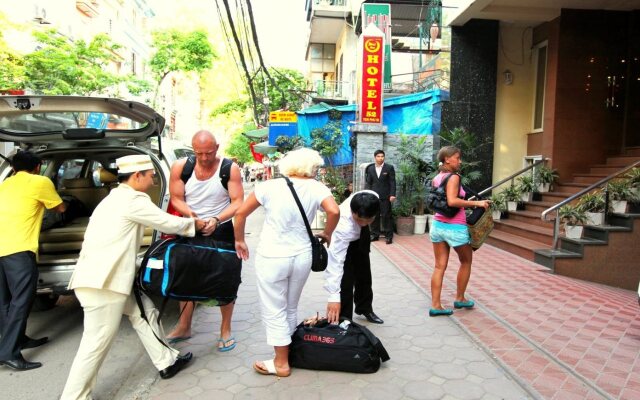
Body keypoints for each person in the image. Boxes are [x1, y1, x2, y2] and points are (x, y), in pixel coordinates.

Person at [60, 155, 205, 399]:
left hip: (107, 278)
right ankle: (74, 397)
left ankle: (166, 361)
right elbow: (166, 223)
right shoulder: (133, 199)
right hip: (103, 283)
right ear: (137, 176)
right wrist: (196, 225)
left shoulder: (113, 198)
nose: (152, 180)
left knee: (144, 312)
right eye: (150, 175)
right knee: (95, 344)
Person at [234, 148, 339, 377]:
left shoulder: (269, 186)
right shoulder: (317, 188)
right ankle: (289, 353)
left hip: (272, 256)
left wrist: (240, 240)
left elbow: (240, 214)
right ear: (310, 168)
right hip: (302, 256)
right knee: (290, 307)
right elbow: (334, 211)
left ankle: (281, 363)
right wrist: (328, 234)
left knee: (274, 310)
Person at [165, 130, 244, 352]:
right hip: (191, 227)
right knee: (186, 275)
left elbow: (238, 201)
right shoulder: (181, 167)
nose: (204, 158)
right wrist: (191, 215)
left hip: (222, 228)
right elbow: (177, 198)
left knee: (225, 278)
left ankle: (225, 330)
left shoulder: (229, 168)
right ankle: (184, 326)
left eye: (208, 153)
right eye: (199, 153)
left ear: (217, 147)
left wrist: (216, 219)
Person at [0, 151, 67, 371]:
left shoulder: (5, 183)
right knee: (22, 300)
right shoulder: (40, 181)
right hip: (18, 250)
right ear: (38, 166)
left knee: (5, 301)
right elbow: (60, 208)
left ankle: (18, 340)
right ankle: (9, 352)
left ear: (14, 168)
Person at [428, 146, 490, 317]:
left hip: (438, 226)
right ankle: (460, 298)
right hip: (455, 227)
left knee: (439, 266)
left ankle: (435, 305)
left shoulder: (437, 177)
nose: (460, 161)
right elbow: (453, 201)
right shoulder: (454, 177)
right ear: (447, 159)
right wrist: (477, 204)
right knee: (466, 261)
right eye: (457, 157)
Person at [324, 191, 384, 324]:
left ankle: (365, 308)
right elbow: (335, 262)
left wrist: (362, 224)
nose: (363, 223)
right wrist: (333, 296)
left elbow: (363, 222)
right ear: (352, 211)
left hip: (361, 237)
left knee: (364, 275)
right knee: (346, 280)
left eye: (368, 220)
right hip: (346, 241)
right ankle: (344, 319)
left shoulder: (373, 197)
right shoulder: (342, 226)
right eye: (359, 219)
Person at [365, 150, 396, 244]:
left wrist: (392, 194)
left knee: (387, 216)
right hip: (373, 196)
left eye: (382, 156)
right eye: (378, 156)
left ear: (384, 157)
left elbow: (392, 182)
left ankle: (389, 236)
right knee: (374, 216)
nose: (380, 158)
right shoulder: (370, 168)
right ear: (375, 157)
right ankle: (374, 235)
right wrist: (368, 194)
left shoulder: (389, 168)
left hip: (385, 196)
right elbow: (368, 183)